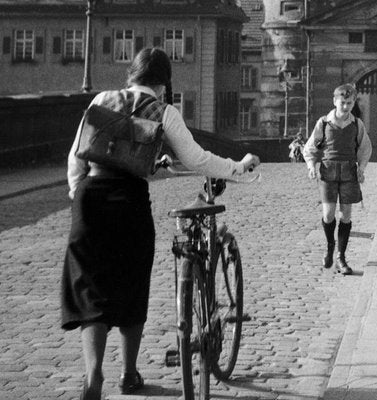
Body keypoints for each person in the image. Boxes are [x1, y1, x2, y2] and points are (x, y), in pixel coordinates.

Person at [61, 48, 260, 400]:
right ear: (165, 81)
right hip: (129, 201)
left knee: (91, 286)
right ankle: (128, 373)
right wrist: (238, 168)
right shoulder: (164, 112)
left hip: (91, 196)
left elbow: (78, 154)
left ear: (131, 74)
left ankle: (93, 373)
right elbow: (197, 159)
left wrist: (81, 195)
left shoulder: (103, 98)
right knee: (131, 284)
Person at [303, 83, 372, 275]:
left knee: (346, 215)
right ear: (335, 101)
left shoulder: (357, 124)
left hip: (349, 173)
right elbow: (310, 148)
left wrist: (362, 168)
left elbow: (365, 148)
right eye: (342, 102)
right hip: (328, 173)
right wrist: (311, 166)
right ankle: (330, 246)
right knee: (328, 214)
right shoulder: (324, 123)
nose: (346, 106)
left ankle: (341, 257)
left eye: (349, 103)